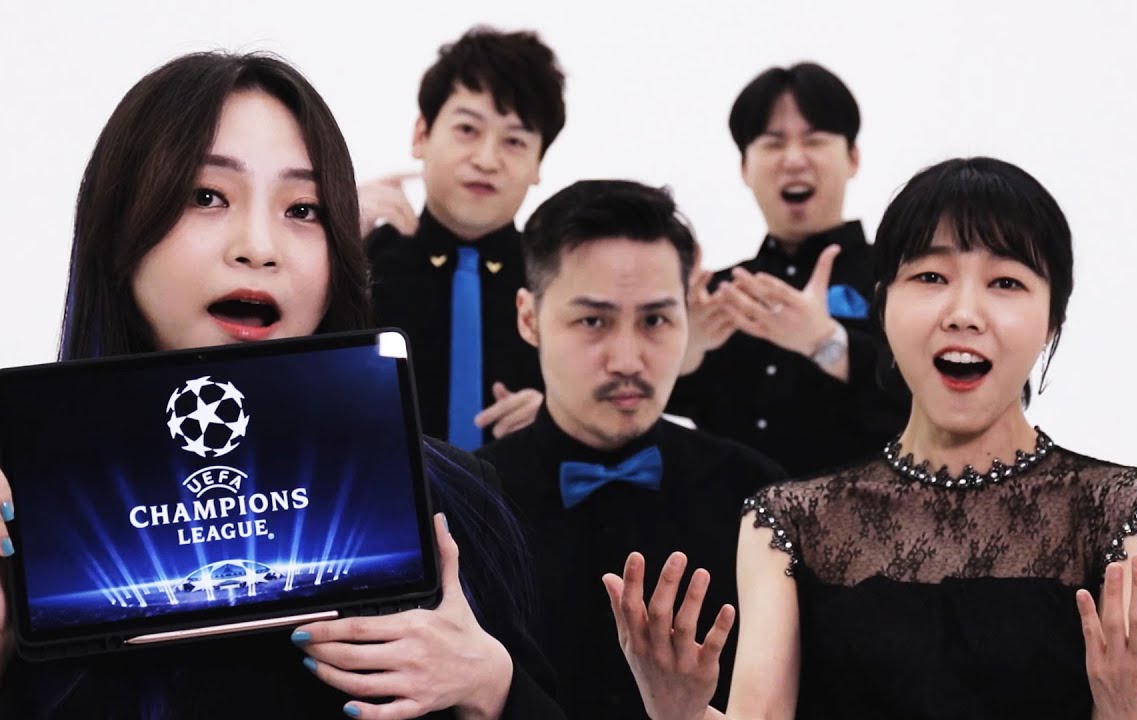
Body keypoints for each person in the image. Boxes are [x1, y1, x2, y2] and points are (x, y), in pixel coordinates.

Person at [0, 51, 563, 720]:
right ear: (118, 225)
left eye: (304, 208)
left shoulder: (459, 501)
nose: (259, 247)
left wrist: (491, 688)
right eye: (207, 197)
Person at [605, 157, 1137, 719]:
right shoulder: (788, 519)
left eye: (1006, 282)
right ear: (883, 307)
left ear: (1052, 318)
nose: (963, 312)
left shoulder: (1126, 512)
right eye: (930, 276)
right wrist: (681, 712)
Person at [476, 180, 785, 718]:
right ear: (529, 318)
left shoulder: (757, 496)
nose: (626, 360)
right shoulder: (467, 505)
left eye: (655, 321)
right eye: (593, 321)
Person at [668, 62, 906, 478]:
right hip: (730, 516)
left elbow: (932, 400)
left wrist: (828, 343)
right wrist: (685, 349)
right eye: (773, 143)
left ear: (852, 158)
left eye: (814, 140)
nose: (794, 159)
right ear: (745, 167)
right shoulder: (721, 294)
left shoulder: (900, 279)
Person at [361, 26, 566, 450]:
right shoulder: (359, 259)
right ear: (421, 135)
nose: (487, 160)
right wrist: (332, 239)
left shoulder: (563, 282)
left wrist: (565, 418)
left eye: (514, 141)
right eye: (468, 130)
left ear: (538, 164)